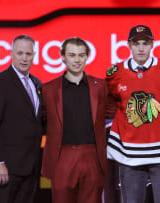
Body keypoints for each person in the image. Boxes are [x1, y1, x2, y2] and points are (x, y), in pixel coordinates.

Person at [106, 25, 160, 203]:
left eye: (145, 43)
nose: (141, 48)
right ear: (129, 45)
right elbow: (107, 107)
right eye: (137, 44)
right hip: (128, 154)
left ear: (152, 44)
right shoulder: (115, 74)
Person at [41, 37, 108, 203]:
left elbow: (115, 113)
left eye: (81, 55)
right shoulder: (48, 89)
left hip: (93, 155)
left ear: (87, 57)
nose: (77, 60)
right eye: (72, 55)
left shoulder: (101, 87)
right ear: (63, 57)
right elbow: (40, 122)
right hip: (62, 156)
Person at [0, 35, 43, 203]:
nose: (24, 58)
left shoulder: (36, 83)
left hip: (30, 169)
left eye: (28, 54)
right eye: (20, 53)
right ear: (11, 54)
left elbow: (37, 123)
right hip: (6, 169)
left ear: (34, 55)